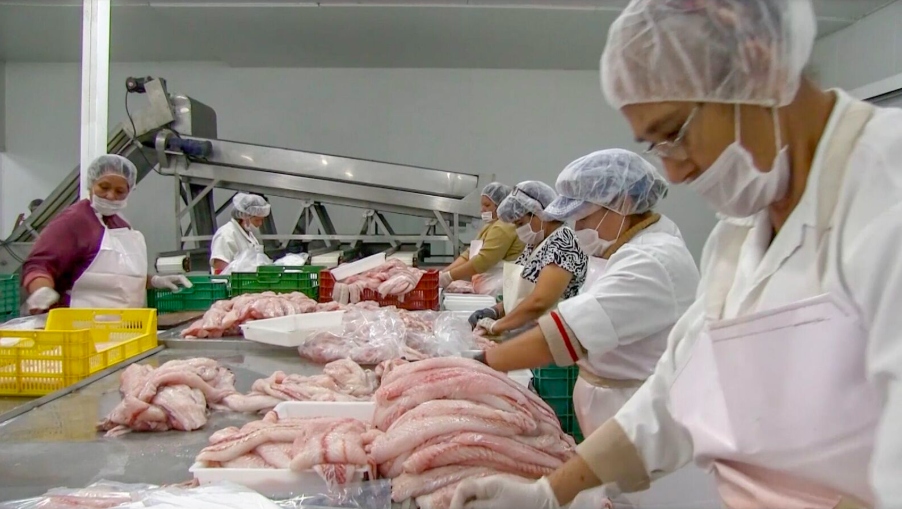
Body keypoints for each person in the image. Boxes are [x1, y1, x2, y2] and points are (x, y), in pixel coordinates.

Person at [452, 0, 902, 508]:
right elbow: (678, 388)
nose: (676, 173)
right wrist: (549, 493)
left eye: (675, 134)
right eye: (657, 148)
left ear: (756, 67)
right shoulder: (740, 233)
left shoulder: (886, 196)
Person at [470, 149, 698, 437]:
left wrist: (478, 365)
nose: (577, 228)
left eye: (583, 217)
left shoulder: (650, 260)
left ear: (623, 203)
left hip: (641, 424)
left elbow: (563, 336)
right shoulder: (619, 250)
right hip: (619, 417)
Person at [22, 155, 191, 313]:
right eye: (104, 187)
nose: (111, 196)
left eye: (120, 191)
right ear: (91, 184)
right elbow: (38, 265)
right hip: (78, 325)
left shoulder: (121, 225)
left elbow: (118, 277)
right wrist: (41, 289)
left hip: (124, 325)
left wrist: (154, 281)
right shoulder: (74, 221)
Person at [468, 180, 587, 337]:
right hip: (528, 331)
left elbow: (540, 301)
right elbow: (521, 294)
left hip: (552, 337)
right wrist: (496, 310)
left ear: (540, 213)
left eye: (520, 223)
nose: (519, 230)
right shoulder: (536, 243)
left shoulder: (564, 242)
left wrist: (497, 325)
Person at [440, 182, 524, 296]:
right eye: (482, 205)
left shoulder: (504, 226)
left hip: (499, 285)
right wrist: (443, 273)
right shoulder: (490, 226)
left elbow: (483, 261)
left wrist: (449, 276)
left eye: (487, 205)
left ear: (501, 205)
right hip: (487, 284)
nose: (482, 210)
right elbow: (469, 254)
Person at [210, 193, 271, 274]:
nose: (260, 224)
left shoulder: (249, 235)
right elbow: (219, 267)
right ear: (244, 216)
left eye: (262, 220)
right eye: (257, 220)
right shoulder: (226, 234)